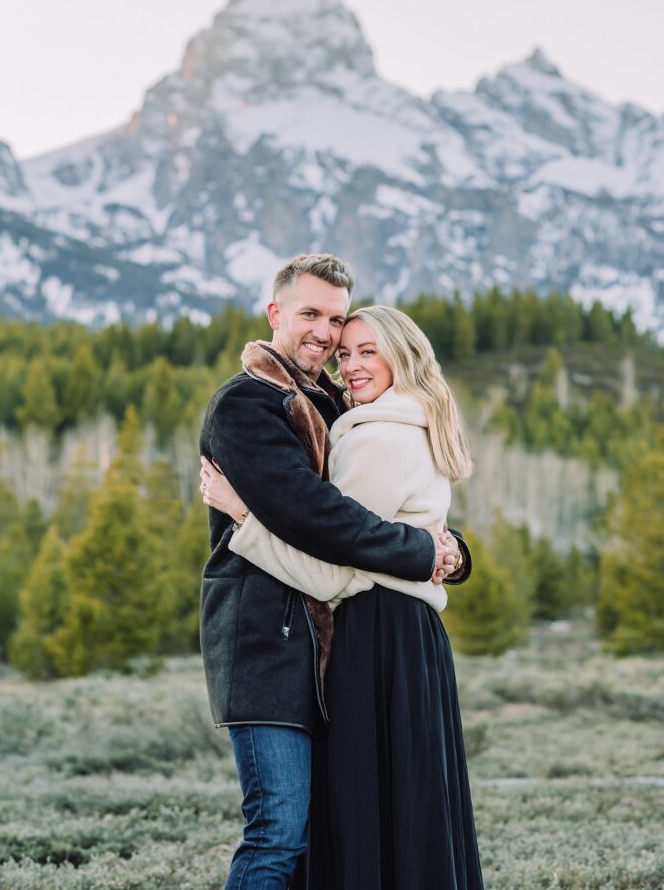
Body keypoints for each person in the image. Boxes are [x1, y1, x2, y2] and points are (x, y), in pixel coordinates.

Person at [198, 254, 463, 890]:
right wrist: (424, 553)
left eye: (337, 321)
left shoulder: (336, 405)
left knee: (326, 839)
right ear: (275, 313)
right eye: (310, 314)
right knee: (278, 833)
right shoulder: (248, 404)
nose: (326, 334)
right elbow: (322, 519)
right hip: (268, 647)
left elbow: (387, 503)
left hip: (327, 650)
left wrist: (451, 546)